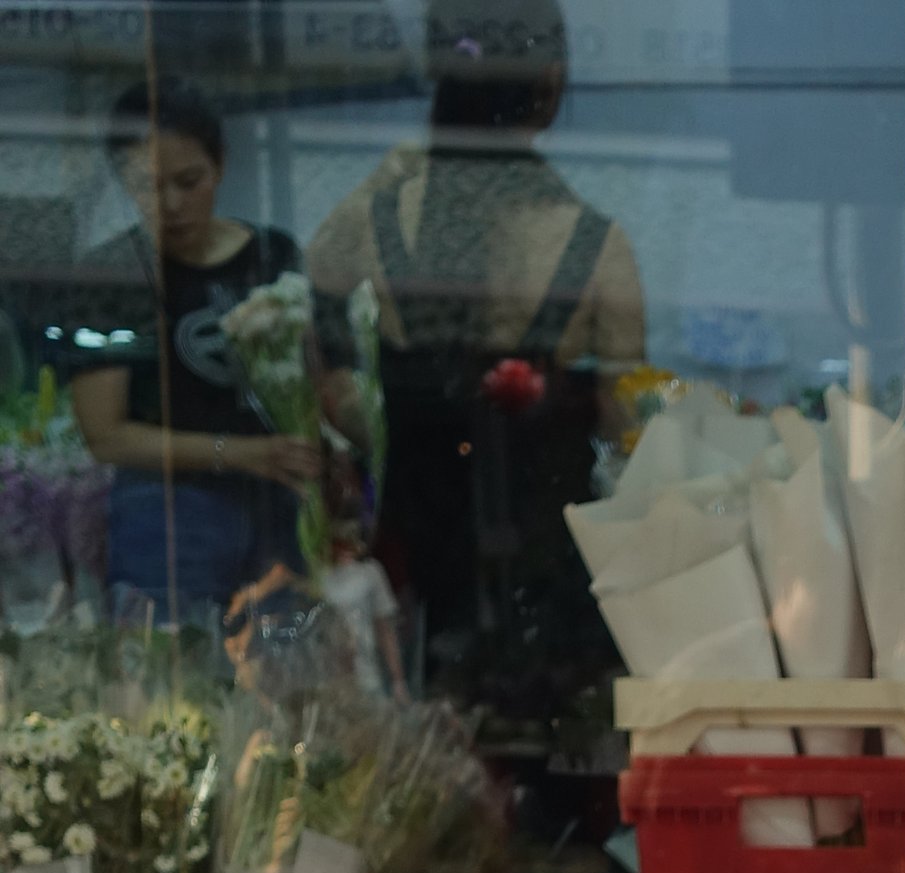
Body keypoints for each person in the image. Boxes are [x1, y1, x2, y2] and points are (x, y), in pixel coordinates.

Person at [307, 0, 643, 705]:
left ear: (440, 75)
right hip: (552, 595)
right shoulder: (599, 246)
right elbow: (628, 437)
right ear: (549, 84)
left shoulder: (378, 216)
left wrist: (362, 418)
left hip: (414, 582)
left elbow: (301, 297)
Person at [58, 79, 314, 616]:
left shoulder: (273, 255)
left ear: (220, 165)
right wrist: (239, 454)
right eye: (147, 186)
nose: (171, 204)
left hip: (277, 511)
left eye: (189, 181)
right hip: (167, 516)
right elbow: (105, 434)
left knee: (287, 676)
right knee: (172, 682)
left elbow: (318, 382)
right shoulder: (115, 275)